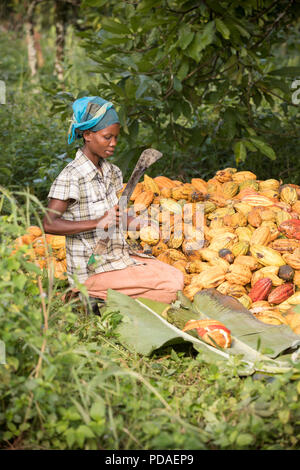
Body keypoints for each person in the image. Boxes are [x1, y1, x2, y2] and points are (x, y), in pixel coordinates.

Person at [43, 96, 184, 311]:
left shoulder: (112, 172)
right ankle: (83, 294)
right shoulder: (71, 176)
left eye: (116, 137)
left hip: (117, 257)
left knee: (174, 275)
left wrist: (142, 223)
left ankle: (99, 299)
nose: (114, 143)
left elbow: (115, 217)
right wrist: (97, 222)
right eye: (107, 137)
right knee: (171, 287)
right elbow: (49, 224)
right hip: (92, 268)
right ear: (88, 135)